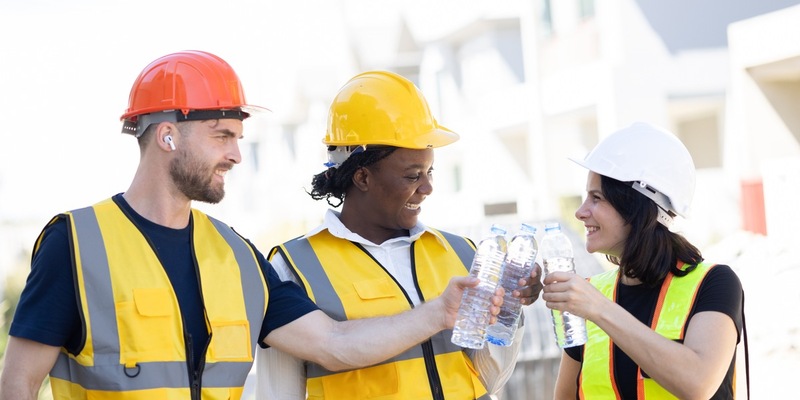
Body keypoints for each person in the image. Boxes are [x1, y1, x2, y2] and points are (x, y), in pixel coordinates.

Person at [0, 51, 504, 400]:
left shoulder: (237, 256)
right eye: (222, 136)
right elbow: (18, 384)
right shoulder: (77, 243)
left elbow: (333, 344)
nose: (236, 154)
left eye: (238, 137)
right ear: (169, 136)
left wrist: (440, 313)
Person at [255, 70, 544, 400]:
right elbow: (278, 393)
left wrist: (510, 305)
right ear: (363, 177)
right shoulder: (294, 266)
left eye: (430, 171)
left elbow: (490, 377)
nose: (428, 187)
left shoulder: (462, 252)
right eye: (412, 175)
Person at [544, 122, 744, 399]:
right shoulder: (592, 293)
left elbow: (698, 383)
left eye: (596, 198)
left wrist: (599, 309)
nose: (580, 212)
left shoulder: (714, 283)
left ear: (637, 208)